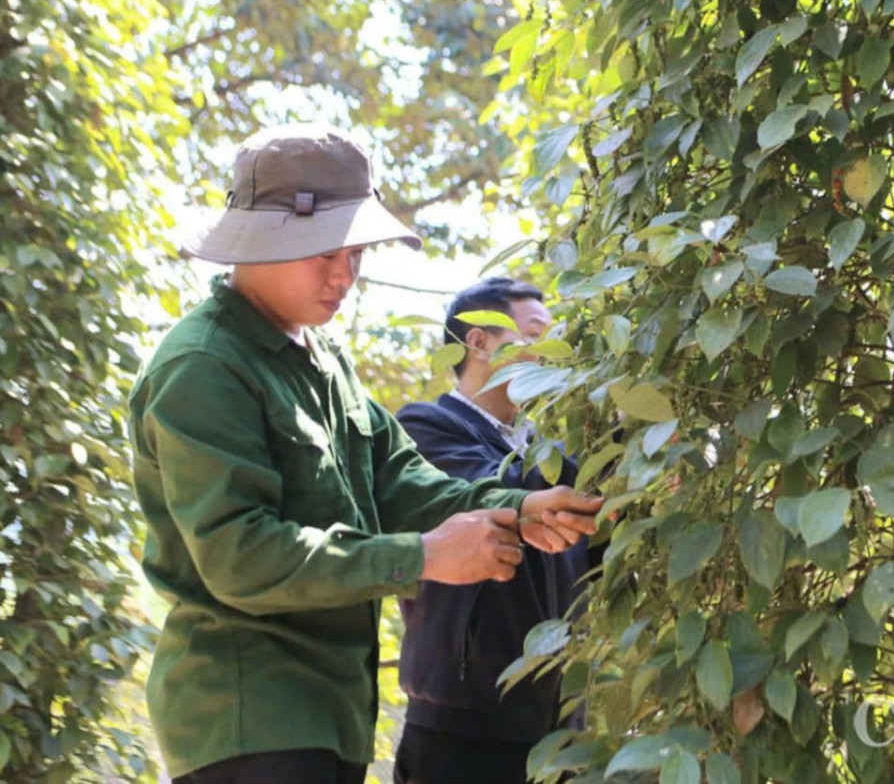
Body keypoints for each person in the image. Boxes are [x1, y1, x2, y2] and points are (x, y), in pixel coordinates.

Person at [128, 125, 603, 784]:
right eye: (324, 251)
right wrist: (424, 556)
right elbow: (241, 554)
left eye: (355, 253)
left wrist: (521, 508)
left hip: (332, 716)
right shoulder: (203, 366)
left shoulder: (324, 362)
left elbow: (405, 483)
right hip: (248, 720)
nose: (344, 274)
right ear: (259, 242)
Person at [393, 277, 597, 784]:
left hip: (560, 727)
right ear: (478, 341)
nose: (552, 353)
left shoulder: (556, 450)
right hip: (464, 721)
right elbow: (505, 495)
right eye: (536, 335)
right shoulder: (423, 429)